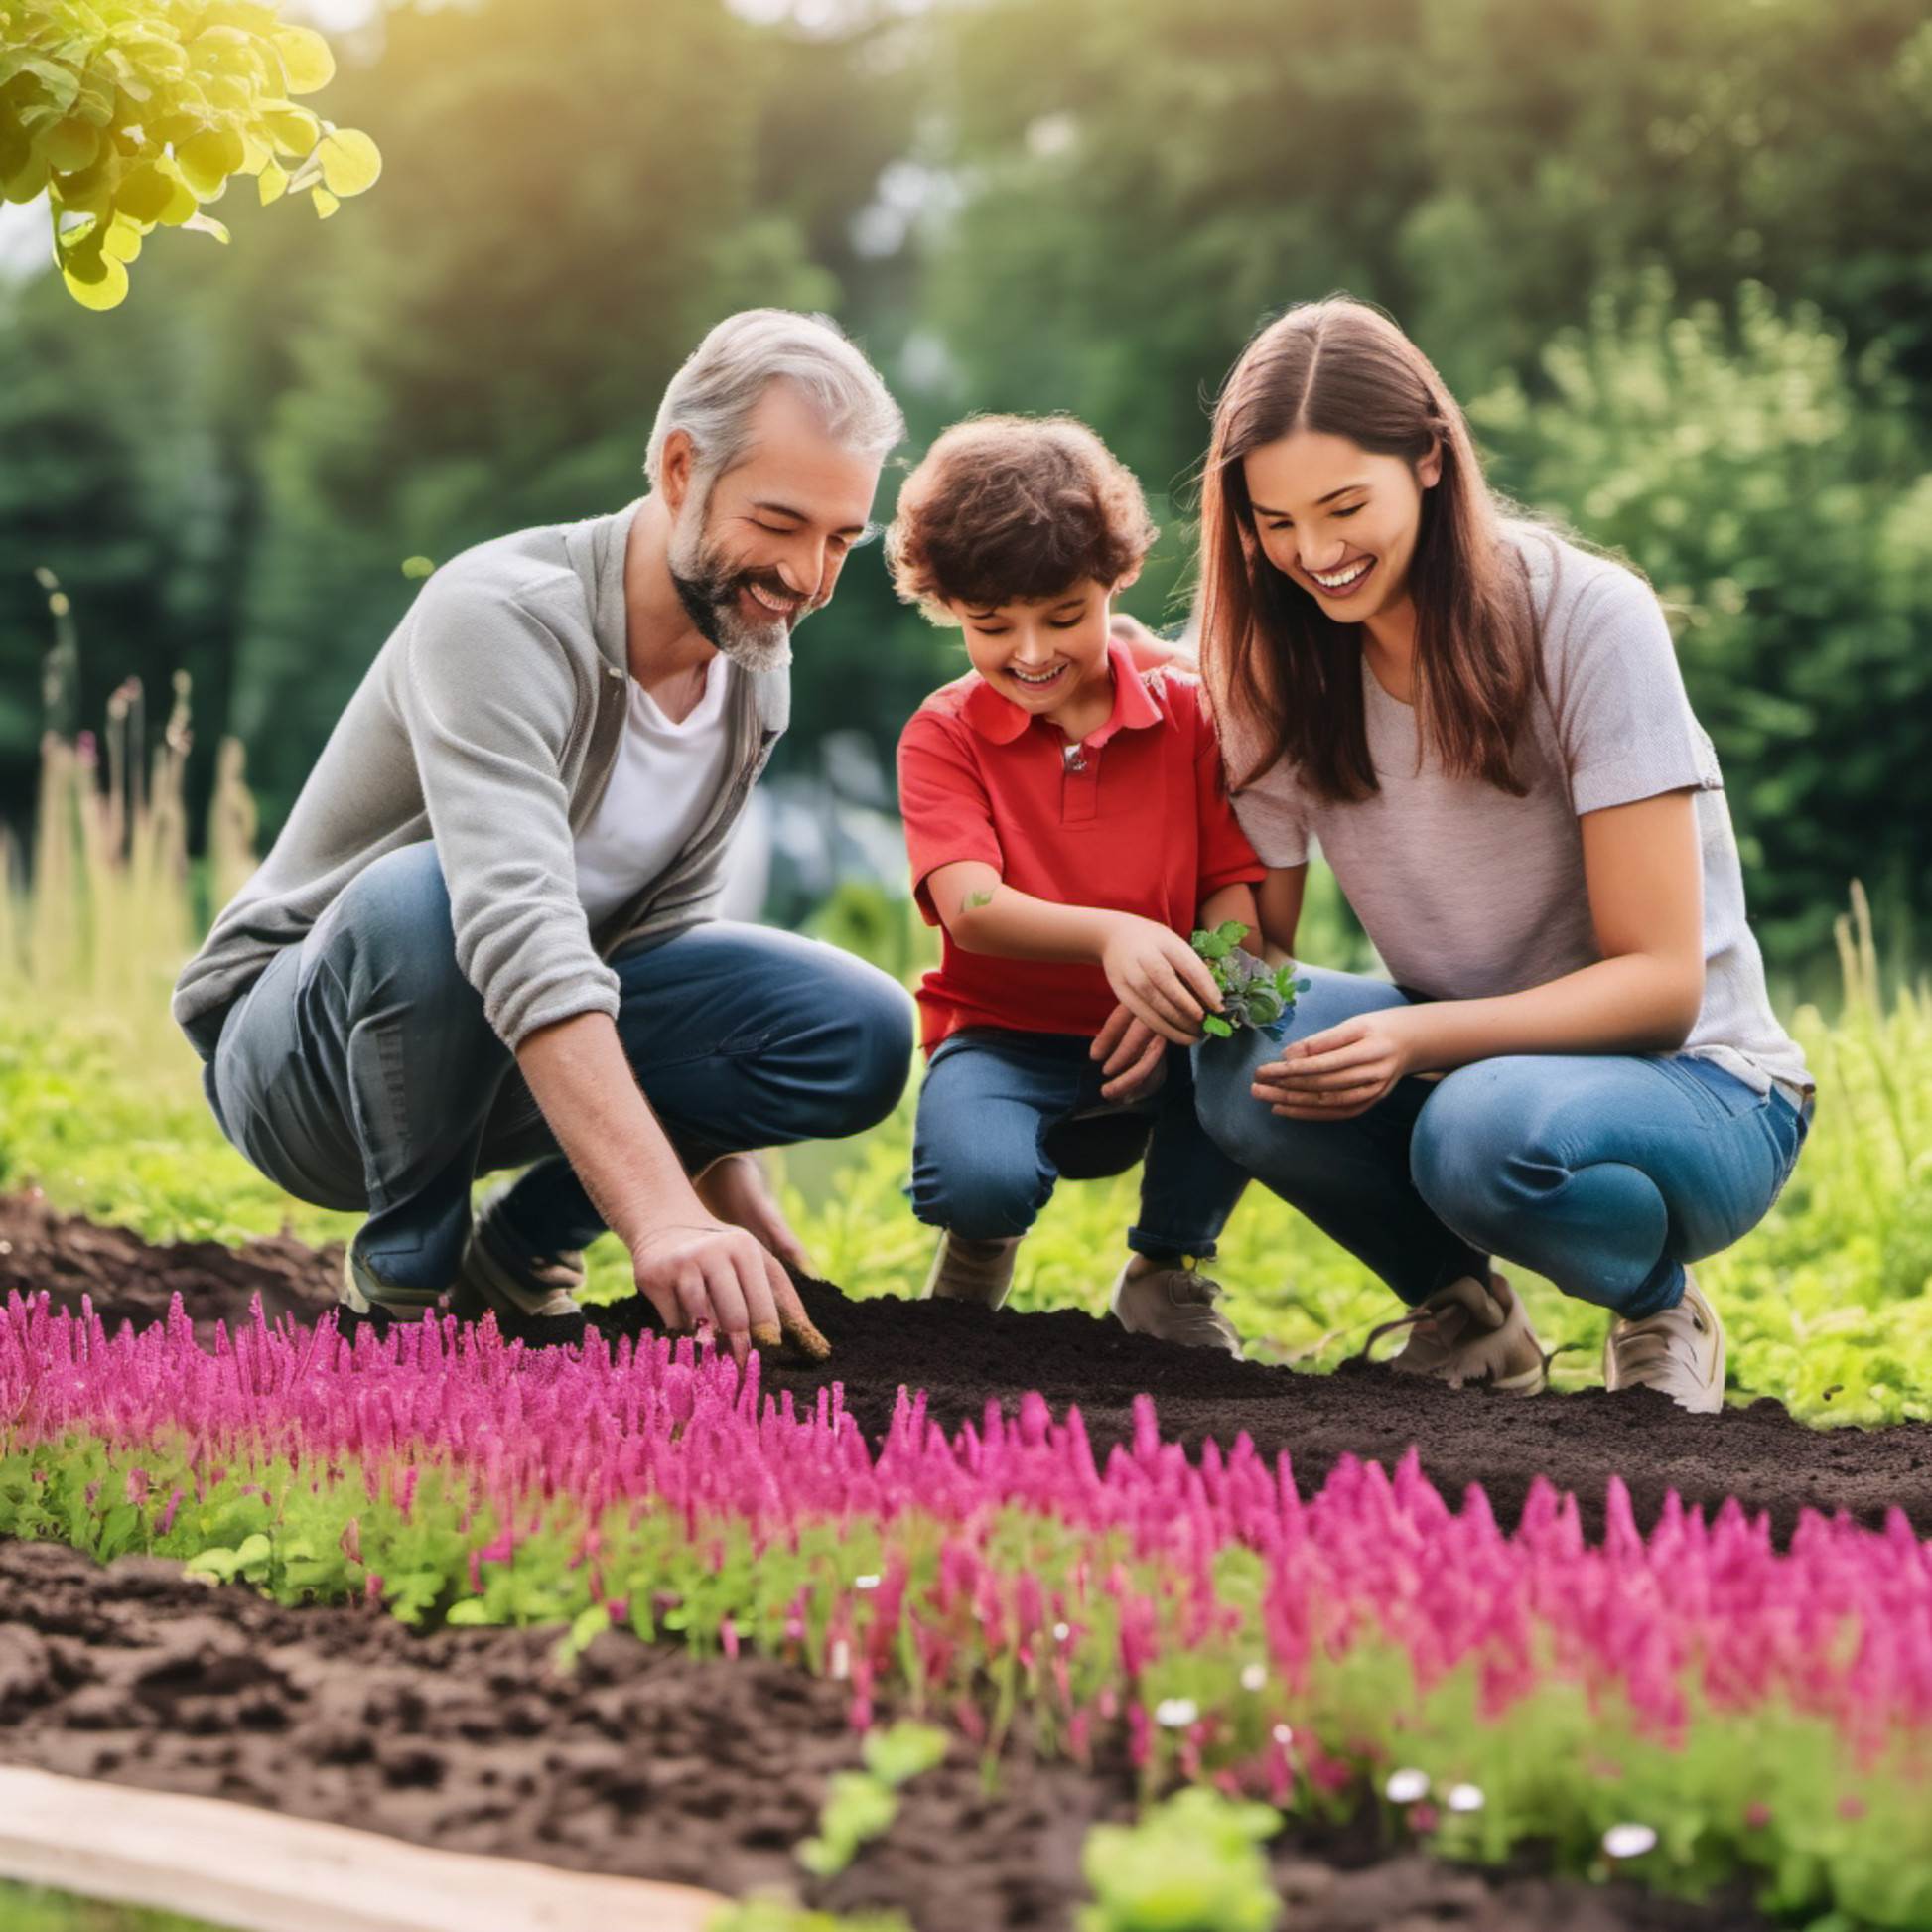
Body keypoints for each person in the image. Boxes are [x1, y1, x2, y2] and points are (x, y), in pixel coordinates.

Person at [172, 310, 915, 1362]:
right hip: (308, 1063)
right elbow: (516, 927)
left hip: (505, 1061)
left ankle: (517, 1255)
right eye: (780, 521)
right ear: (675, 467)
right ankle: (406, 1284)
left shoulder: (751, 657)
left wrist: (715, 1161)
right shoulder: (500, 615)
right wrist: (657, 1216)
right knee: (423, 894)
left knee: (855, 1026)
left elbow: (663, 945)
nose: (807, 576)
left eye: (841, 537)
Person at [1183, 296, 1812, 1410]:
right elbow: (1258, 953)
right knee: (1243, 1045)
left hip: (1699, 1087)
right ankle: (1468, 1316)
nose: (1313, 554)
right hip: (1467, 1064)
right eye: (1273, 523)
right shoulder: (1271, 661)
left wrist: (1419, 1035)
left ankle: (1659, 1301)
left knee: (1473, 1132)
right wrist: (1181, 978)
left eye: (1341, 507)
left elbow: (1660, 987)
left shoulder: (1583, 618)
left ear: (1427, 456)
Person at [890, 416, 1263, 1353]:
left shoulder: (1189, 716)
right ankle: (979, 1248)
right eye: (989, 626)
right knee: (974, 1178)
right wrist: (1113, 936)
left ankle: (1167, 1268)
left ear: (1115, 582)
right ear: (948, 608)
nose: (1029, 654)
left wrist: (1192, 984)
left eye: (1064, 617)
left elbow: (1232, 893)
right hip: (1004, 1038)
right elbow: (969, 907)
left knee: (1260, 1047)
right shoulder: (944, 733)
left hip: (1169, 1038)